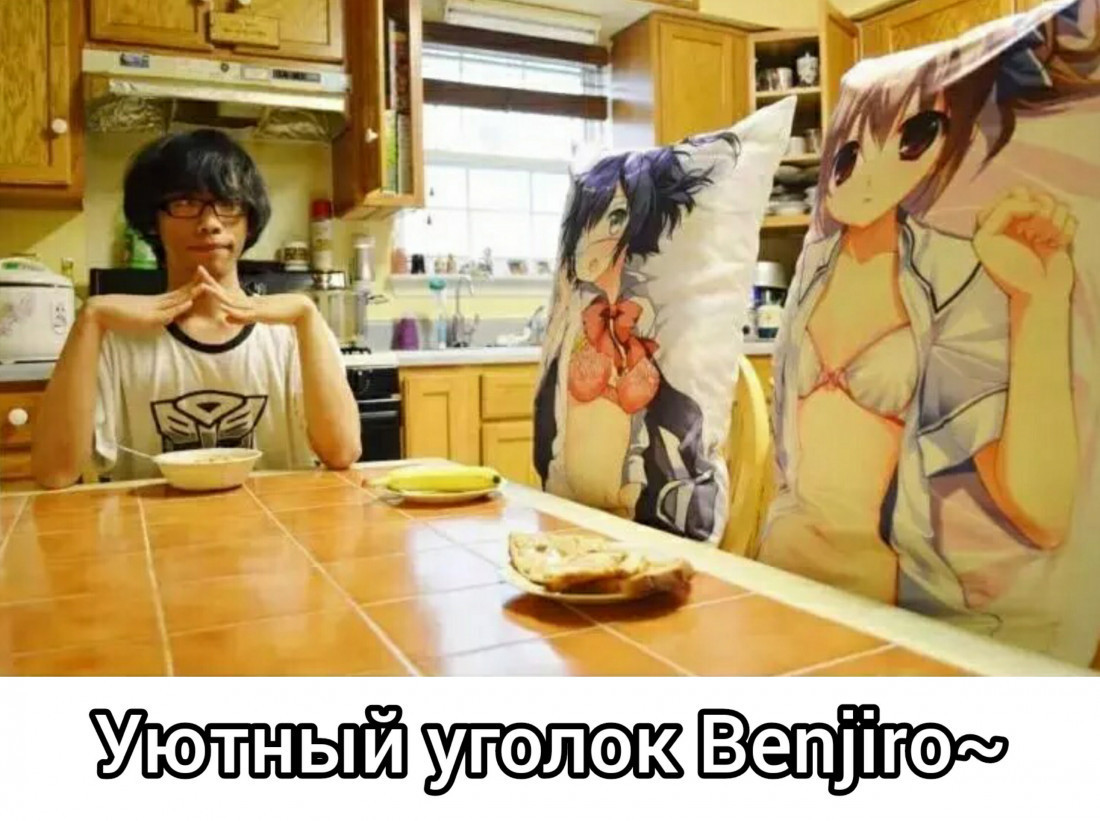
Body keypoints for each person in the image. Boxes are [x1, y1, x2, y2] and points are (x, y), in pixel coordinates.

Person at [761, 0, 1099, 654]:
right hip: (775, 577)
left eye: (914, 134)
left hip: (878, 610)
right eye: (851, 150)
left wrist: (1039, 303)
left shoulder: (953, 273)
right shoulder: (813, 272)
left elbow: (1040, 507)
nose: (870, 168)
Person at [31, 129, 360, 487]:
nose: (210, 223)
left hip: (274, 521)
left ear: (249, 221)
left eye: (229, 203)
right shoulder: (112, 339)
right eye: (185, 203)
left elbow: (342, 452)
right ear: (153, 222)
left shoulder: (293, 332)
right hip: (152, 523)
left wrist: (307, 315)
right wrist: (90, 318)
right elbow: (54, 473)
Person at [534, 133, 739, 541]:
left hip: (641, 510)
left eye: (616, 218)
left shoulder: (650, 318)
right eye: (590, 217)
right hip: (570, 508)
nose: (592, 236)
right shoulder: (574, 322)